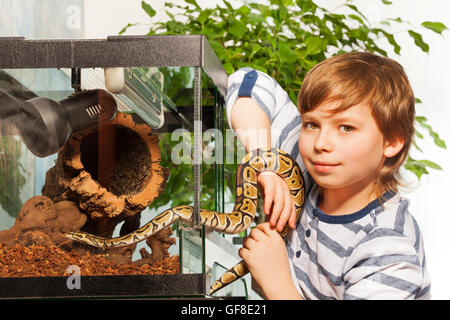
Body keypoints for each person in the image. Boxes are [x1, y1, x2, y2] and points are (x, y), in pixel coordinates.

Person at [226, 52, 431, 300]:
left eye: (346, 128)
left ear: (392, 141)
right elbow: (249, 80)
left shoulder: (388, 250)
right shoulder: (304, 162)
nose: (321, 143)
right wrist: (265, 164)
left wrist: (276, 282)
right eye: (311, 124)